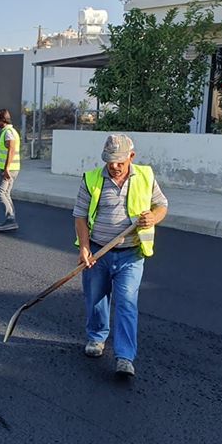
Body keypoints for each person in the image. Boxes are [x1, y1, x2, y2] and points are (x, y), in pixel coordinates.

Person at [73, 134, 168, 378]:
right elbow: (80, 216)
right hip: (98, 251)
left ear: (131, 157)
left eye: (119, 162)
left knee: (126, 301)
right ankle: (96, 338)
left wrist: (153, 218)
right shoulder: (92, 179)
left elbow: (162, 205)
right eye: (109, 161)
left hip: (131, 254)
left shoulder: (145, 176)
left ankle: (125, 356)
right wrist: (84, 246)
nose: (114, 166)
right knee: (96, 297)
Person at [0, 109, 21, 232]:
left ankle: (11, 220)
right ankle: (11, 218)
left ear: (2, 120)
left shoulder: (8, 132)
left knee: (0, 193)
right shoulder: (9, 131)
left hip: (9, 169)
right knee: (6, 193)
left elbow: (11, 150)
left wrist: (6, 169)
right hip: (12, 168)